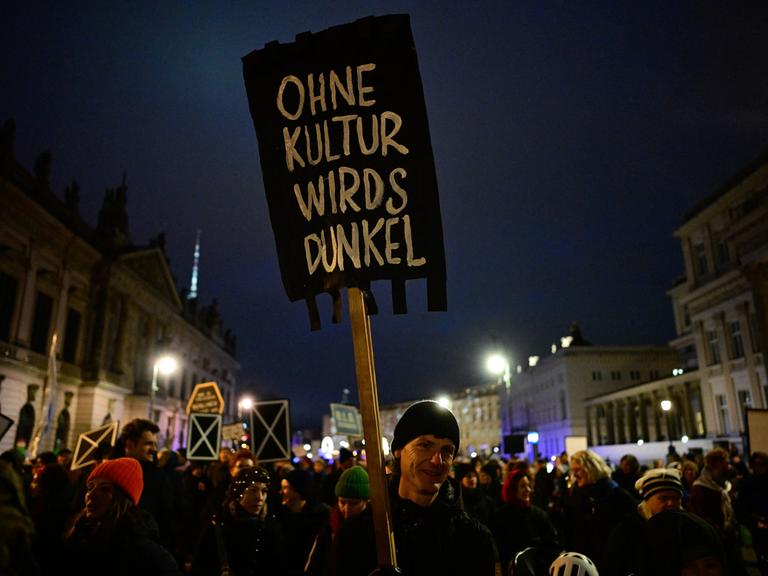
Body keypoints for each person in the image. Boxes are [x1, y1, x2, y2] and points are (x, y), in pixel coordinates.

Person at [332, 400, 499, 575]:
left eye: (446, 450)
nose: (437, 460)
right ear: (398, 450)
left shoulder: (474, 540)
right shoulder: (358, 534)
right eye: (425, 445)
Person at [60, 457, 181, 576]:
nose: (90, 494)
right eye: (90, 487)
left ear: (123, 500)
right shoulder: (77, 534)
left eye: (105, 489)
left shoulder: (145, 553)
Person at [191, 466, 284, 576]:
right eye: (253, 490)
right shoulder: (218, 526)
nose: (259, 497)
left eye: (264, 491)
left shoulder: (270, 525)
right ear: (238, 494)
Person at [562, 449, 637, 572]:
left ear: (592, 468)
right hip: (582, 560)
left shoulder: (613, 492)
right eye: (573, 470)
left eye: (578, 470)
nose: (574, 475)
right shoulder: (575, 493)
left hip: (610, 561)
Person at [603, 467, 684, 576]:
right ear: (647, 499)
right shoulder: (627, 531)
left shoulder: (686, 526)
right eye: (663, 498)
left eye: (676, 498)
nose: (671, 503)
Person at [494, 467, 559, 575]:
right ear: (512, 489)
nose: (529, 490)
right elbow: (498, 548)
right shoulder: (501, 516)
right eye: (523, 486)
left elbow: (552, 544)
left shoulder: (538, 514)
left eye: (529, 485)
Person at [306, 465, 371, 575]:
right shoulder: (330, 523)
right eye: (342, 502)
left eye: (354, 503)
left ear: (366, 501)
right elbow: (314, 563)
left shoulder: (372, 528)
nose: (346, 509)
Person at [277, 467, 330, 575]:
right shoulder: (279, 516)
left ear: (298, 490)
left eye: (285, 488)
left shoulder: (320, 516)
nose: (281, 492)